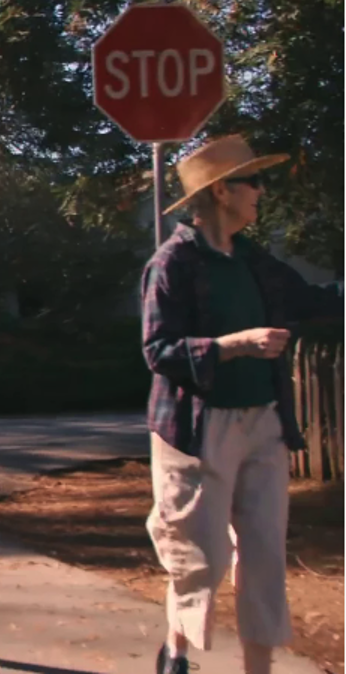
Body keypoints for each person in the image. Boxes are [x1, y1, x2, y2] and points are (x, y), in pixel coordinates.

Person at [141, 135, 342, 674]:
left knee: (264, 559)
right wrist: (234, 345)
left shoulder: (255, 260)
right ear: (223, 191)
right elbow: (158, 350)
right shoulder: (174, 263)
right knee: (201, 561)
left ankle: (259, 669)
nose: (261, 191)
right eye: (253, 182)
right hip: (195, 431)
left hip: (264, 424)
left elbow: (315, 301)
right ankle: (177, 652)